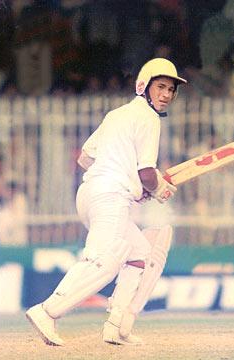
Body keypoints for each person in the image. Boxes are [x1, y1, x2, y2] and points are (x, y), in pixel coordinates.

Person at [26, 58, 187, 346]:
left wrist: (129, 182)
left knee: (139, 255)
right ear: (143, 86)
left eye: (171, 90)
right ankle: (47, 311)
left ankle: (116, 326)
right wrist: (157, 188)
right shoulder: (149, 118)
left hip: (91, 194)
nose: (166, 94)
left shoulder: (117, 115)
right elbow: (147, 173)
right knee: (105, 260)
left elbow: (85, 157)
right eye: (160, 87)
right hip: (109, 196)